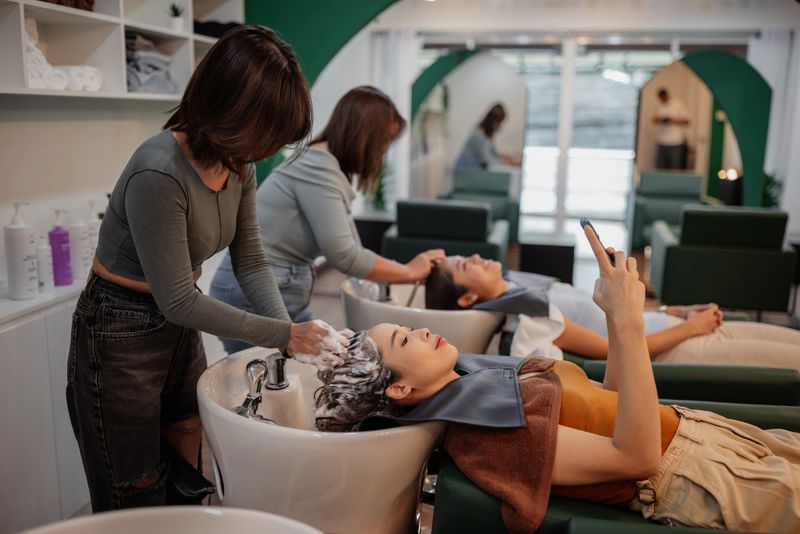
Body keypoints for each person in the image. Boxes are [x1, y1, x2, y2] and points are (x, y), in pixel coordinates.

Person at [314, 228, 800, 533]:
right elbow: (636, 457)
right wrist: (629, 322)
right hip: (699, 475)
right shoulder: (486, 432)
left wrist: (615, 315)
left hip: (700, 435)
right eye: (405, 339)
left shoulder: (478, 383)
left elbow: (608, 399)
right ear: (399, 389)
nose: (422, 327)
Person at [67, 26, 349, 512]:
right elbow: (177, 300)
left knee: (188, 465)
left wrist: (289, 334)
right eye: (266, 133)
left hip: (179, 326)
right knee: (134, 487)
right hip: (119, 328)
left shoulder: (239, 164)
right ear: (230, 110)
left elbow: (252, 259)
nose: (267, 149)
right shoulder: (159, 171)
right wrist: (285, 335)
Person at [210, 86, 444, 354]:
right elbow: (344, 255)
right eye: (384, 142)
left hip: (276, 289)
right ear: (364, 135)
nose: (382, 153)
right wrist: (410, 272)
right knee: (272, 379)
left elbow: (352, 248)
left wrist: (397, 277)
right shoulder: (317, 167)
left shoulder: (324, 165)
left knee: (325, 359)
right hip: (253, 294)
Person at [424, 253, 800, 369]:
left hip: (675, 325)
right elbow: (616, 347)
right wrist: (691, 330)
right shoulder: (528, 314)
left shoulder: (527, 285)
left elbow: (607, 308)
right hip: (675, 348)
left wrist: (678, 311)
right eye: (463, 266)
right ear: (467, 299)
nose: (475, 257)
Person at [455, 103, 522, 170]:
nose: (499, 127)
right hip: (464, 173)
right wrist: (511, 162)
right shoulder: (478, 135)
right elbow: (488, 160)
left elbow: (493, 153)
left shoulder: (485, 136)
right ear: (493, 122)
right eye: (499, 123)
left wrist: (509, 157)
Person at [653, 88, 690, 170]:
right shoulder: (659, 105)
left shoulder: (678, 104)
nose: (662, 101)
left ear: (666, 96)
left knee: (674, 166)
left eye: (663, 98)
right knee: (660, 167)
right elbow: (654, 120)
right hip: (662, 141)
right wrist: (661, 120)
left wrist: (673, 120)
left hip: (675, 141)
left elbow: (687, 122)